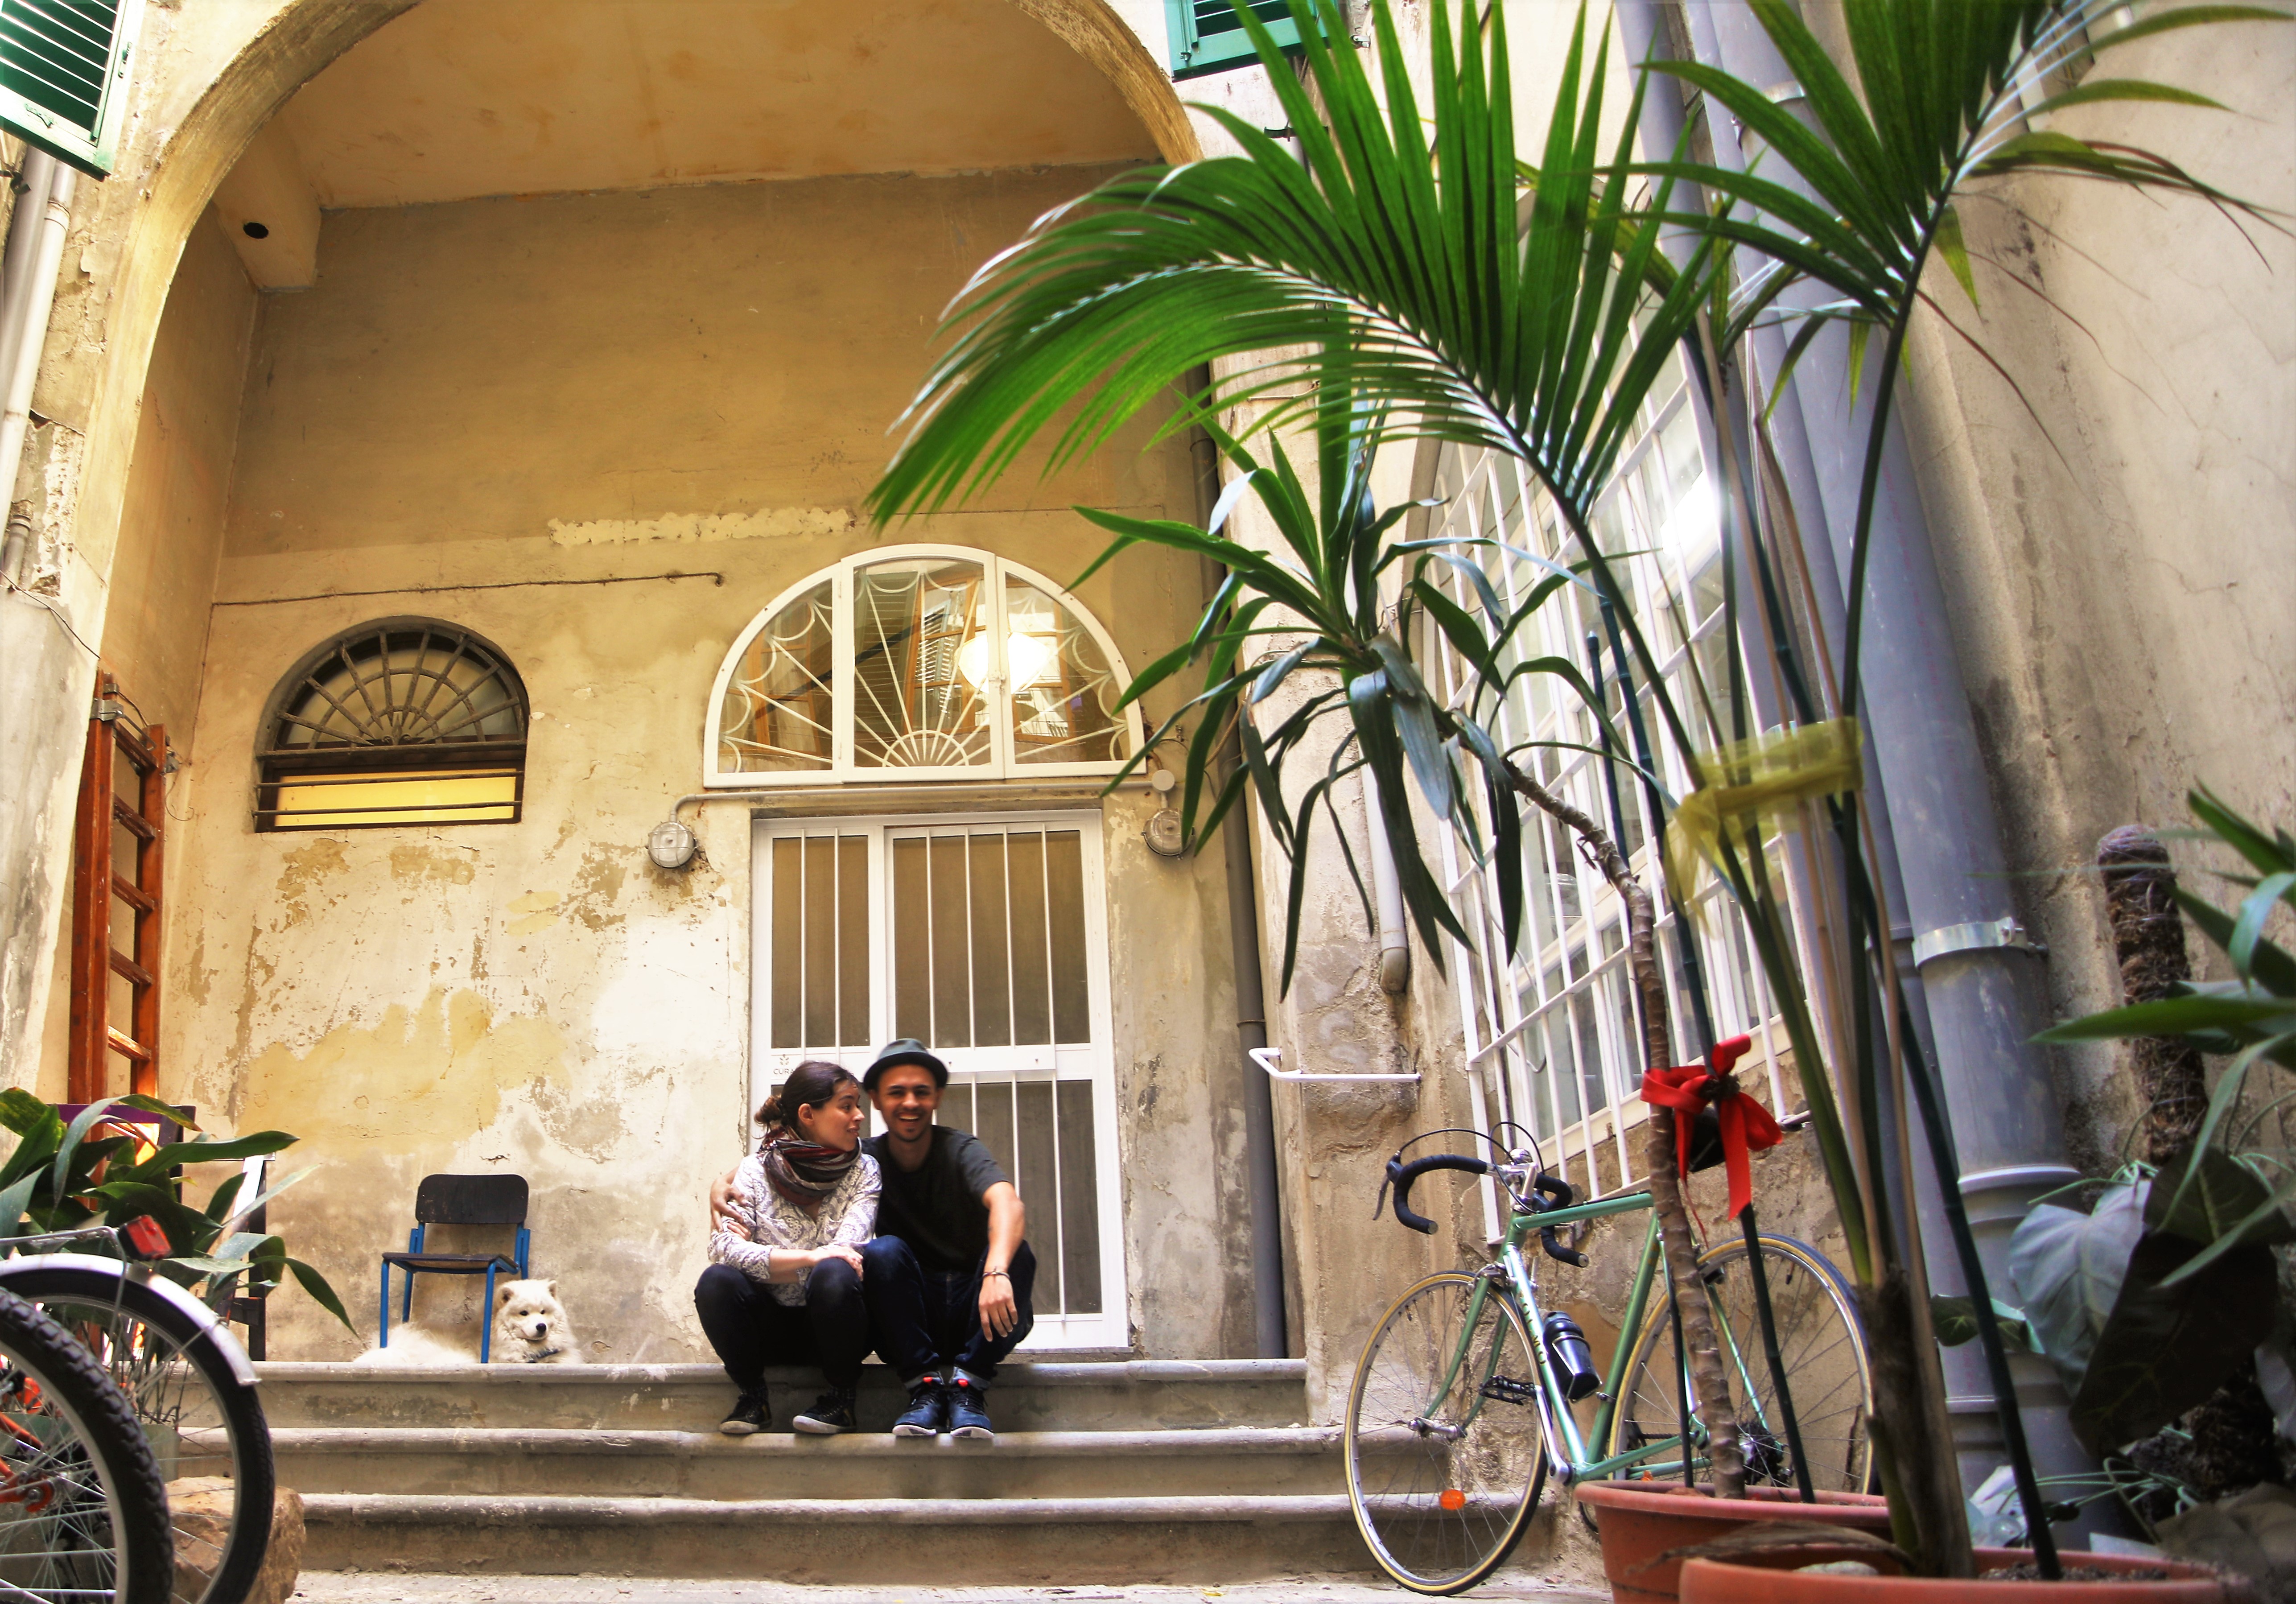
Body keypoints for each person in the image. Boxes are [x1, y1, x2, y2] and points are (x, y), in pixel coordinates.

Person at [710, 1038, 1035, 1443]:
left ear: (937, 1096)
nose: (910, 1102)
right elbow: (776, 1160)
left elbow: (1007, 1203)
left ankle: (970, 1386)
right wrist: (720, 1183)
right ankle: (923, 1386)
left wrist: (996, 1271)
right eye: (896, 1092)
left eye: (921, 1091)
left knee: (1014, 1252)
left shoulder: (945, 1151)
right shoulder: (852, 1154)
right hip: (908, 1316)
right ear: (878, 1099)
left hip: (977, 1310)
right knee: (882, 1251)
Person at [695, 1060, 878, 1436]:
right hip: (769, 1326)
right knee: (716, 1281)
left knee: (835, 1271)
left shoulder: (864, 1170)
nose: (859, 1116)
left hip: (836, 1326)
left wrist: (777, 1263)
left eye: (857, 1105)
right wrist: (810, 1257)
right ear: (808, 1114)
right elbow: (724, 1247)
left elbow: (846, 1251)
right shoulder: (753, 1172)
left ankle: (842, 1399)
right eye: (846, 1106)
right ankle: (752, 1398)